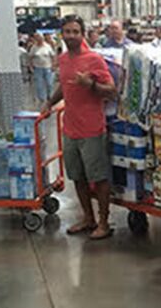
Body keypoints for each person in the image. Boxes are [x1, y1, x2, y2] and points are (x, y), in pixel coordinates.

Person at [42, 14, 116, 241]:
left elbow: (112, 90)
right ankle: (88, 218)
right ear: (62, 34)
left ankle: (104, 222)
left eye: (75, 32)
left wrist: (90, 84)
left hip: (92, 128)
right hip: (70, 128)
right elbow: (64, 86)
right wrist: (50, 102)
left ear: (82, 34)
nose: (71, 36)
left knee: (99, 178)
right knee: (77, 176)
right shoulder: (63, 59)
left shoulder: (94, 59)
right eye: (67, 32)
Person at [28, 32, 56, 103]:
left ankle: (50, 96)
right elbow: (30, 57)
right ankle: (42, 98)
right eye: (37, 38)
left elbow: (53, 56)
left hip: (48, 67)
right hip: (38, 68)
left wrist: (53, 65)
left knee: (49, 83)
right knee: (39, 84)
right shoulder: (34, 47)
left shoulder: (47, 46)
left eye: (40, 38)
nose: (39, 39)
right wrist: (30, 66)